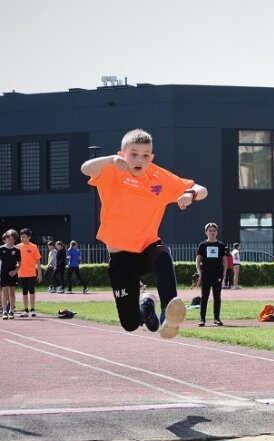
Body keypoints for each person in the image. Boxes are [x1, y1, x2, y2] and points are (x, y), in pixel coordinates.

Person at [81, 128, 208, 339]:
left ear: (152, 157)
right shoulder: (112, 170)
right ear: (123, 154)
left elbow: (202, 189)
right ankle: (146, 306)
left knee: (162, 255)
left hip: (147, 246)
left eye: (145, 155)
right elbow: (85, 168)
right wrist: (112, 160)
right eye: (134, 154)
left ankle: (168, 315)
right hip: (121, 256)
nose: (140, 160)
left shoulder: (158, 176)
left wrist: (190, 193)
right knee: (130, 324)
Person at [195, 222, 227, 326]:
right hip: (206, 274)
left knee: (217, 296)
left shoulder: (221, 245)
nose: (212, 232)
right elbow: (198, 260)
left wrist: (224, 275)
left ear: (217, 232)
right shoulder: (203, 245)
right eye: (210, 230)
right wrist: (200, 272)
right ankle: (202, 319)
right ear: (206, 232)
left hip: (217, 274)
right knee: (204, 296)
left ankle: (216, 318)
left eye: (214, 230)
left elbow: (225, 262)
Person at [16, 228, 42, 317]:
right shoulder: (18, 247)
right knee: (24, 292)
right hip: (21, 273)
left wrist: (40, 274)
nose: (22, 238)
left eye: (24, 237)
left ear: (29, 237)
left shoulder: (34, 247)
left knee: (31, 291)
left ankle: (33, 309)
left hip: (31, 273)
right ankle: (26, 310)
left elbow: (38, 261)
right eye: (21, 237)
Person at [0, 229, 21, 320]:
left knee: (12, 293)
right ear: (5, 238)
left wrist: (15, 271)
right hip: (4, 273)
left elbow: (20, 263)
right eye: (9, 239)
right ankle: (4, 311)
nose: (11, 241)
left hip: (13, 274)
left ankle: (11, 310)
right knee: (5, 292)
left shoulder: (17, 250)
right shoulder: (1, 249)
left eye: (13, 239)